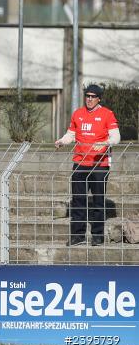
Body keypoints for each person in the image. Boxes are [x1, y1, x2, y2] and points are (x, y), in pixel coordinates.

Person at [55, 84, 120, 246]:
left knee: (98, 201)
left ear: (99, 98)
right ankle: (78, 236)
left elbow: (116, 137)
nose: (89, 99)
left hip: (99, 164)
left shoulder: (107, 114)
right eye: (87, 96)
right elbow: (71, 134)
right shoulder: (78, 114)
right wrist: (62, 141)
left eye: (93, 96)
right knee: (78, 200)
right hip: (80, 163)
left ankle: (98, 236)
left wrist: (105, 143)